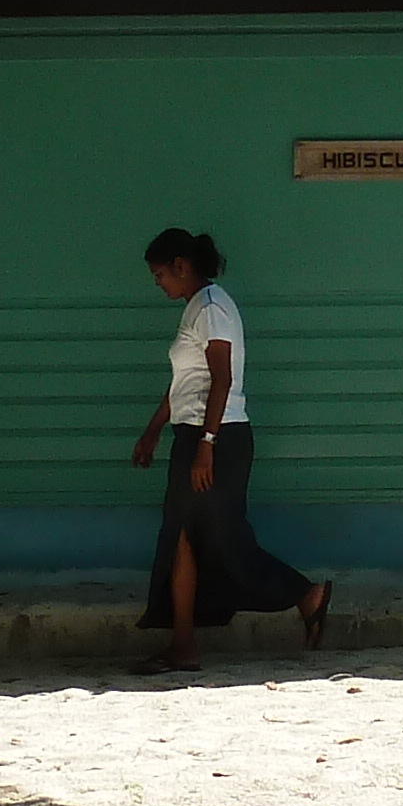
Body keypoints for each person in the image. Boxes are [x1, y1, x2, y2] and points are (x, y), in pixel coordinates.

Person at [128, 228, 330, 672]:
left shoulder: (213, 309)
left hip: (219, 439)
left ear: (182, 265)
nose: (158, 282)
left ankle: (305, 594)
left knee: (224, 541)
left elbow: (221, 380)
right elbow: (185, 384)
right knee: (182, 536)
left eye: (161, 274)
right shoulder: (195, 310)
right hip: (196, 436)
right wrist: (153, 431)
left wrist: (206, 446)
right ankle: (183, 643)